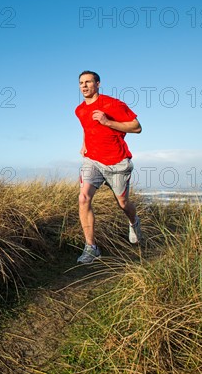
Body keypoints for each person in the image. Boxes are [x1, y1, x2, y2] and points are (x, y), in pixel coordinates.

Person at [75, 70, 142, 264]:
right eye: (81, 83)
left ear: (98, 84)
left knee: (123, 204)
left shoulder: (113, 104)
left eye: (88, 82)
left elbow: (137, 127)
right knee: (83, 197)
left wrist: (107, 121)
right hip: (93, 161)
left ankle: (133, 222)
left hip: (117, 162)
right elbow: (87, 128)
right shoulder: (79, 110)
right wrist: (85, 143)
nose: (84, 86)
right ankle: (91, 247)